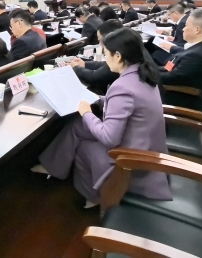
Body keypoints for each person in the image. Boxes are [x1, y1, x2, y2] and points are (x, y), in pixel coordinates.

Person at [34, 28, 172, 208]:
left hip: (133, 158)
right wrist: (98, 99)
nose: (105, 59)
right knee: (77, 126)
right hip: (146, 143)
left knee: (83, 146)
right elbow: (128, 104)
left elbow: (109, 138)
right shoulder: (142, 73)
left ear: (118, 56)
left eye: (106, 54)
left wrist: (87, 113)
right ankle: (52, 166)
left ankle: (96, 196)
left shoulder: (122, 87)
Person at [158, 10, 202, 98]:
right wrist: (148, 69)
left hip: (173, 97)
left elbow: (172, 78)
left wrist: (145, 74)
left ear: (197, 30)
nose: (183, 29)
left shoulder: (197, 55)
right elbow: (170, 70)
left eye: (186, 25)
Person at [70, 20, 124, 95]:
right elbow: (106, 65)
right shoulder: (123, 48)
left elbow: (95, 77)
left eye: (100, 41)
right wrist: (84, 64)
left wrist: (76, 67)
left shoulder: (120, 55)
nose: (100, 45)